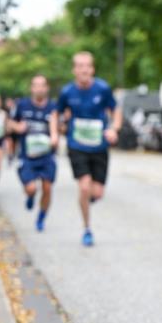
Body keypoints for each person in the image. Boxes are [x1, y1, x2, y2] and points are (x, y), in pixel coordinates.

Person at [56, 51, 122, 247]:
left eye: (87, 66)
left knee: (97, 193)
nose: (84, 69)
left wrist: (114, 128)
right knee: (84, 186)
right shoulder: (67, 92)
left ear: (92, 69)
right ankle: (87, 228)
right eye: (80, 66)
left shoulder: (102, 89)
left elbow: (115, 111)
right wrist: (57, 129)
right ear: (74, 70)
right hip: (77, 145)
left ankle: (87, 199)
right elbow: (56, 114)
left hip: (99, 146)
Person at [10, 75, 60, 232]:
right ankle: (30, 196)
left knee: (47, 188)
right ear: (32, 88)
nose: (39, 88)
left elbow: (56, 128)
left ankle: (41, 218)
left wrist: (54, 137)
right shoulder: (22, 105)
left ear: (47, 88)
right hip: (27, 156)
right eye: (36, 85)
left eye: (42, 85)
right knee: (32, 188)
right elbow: (9, 122)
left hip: (46, 156)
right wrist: (18, 127)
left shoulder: (53, 107)